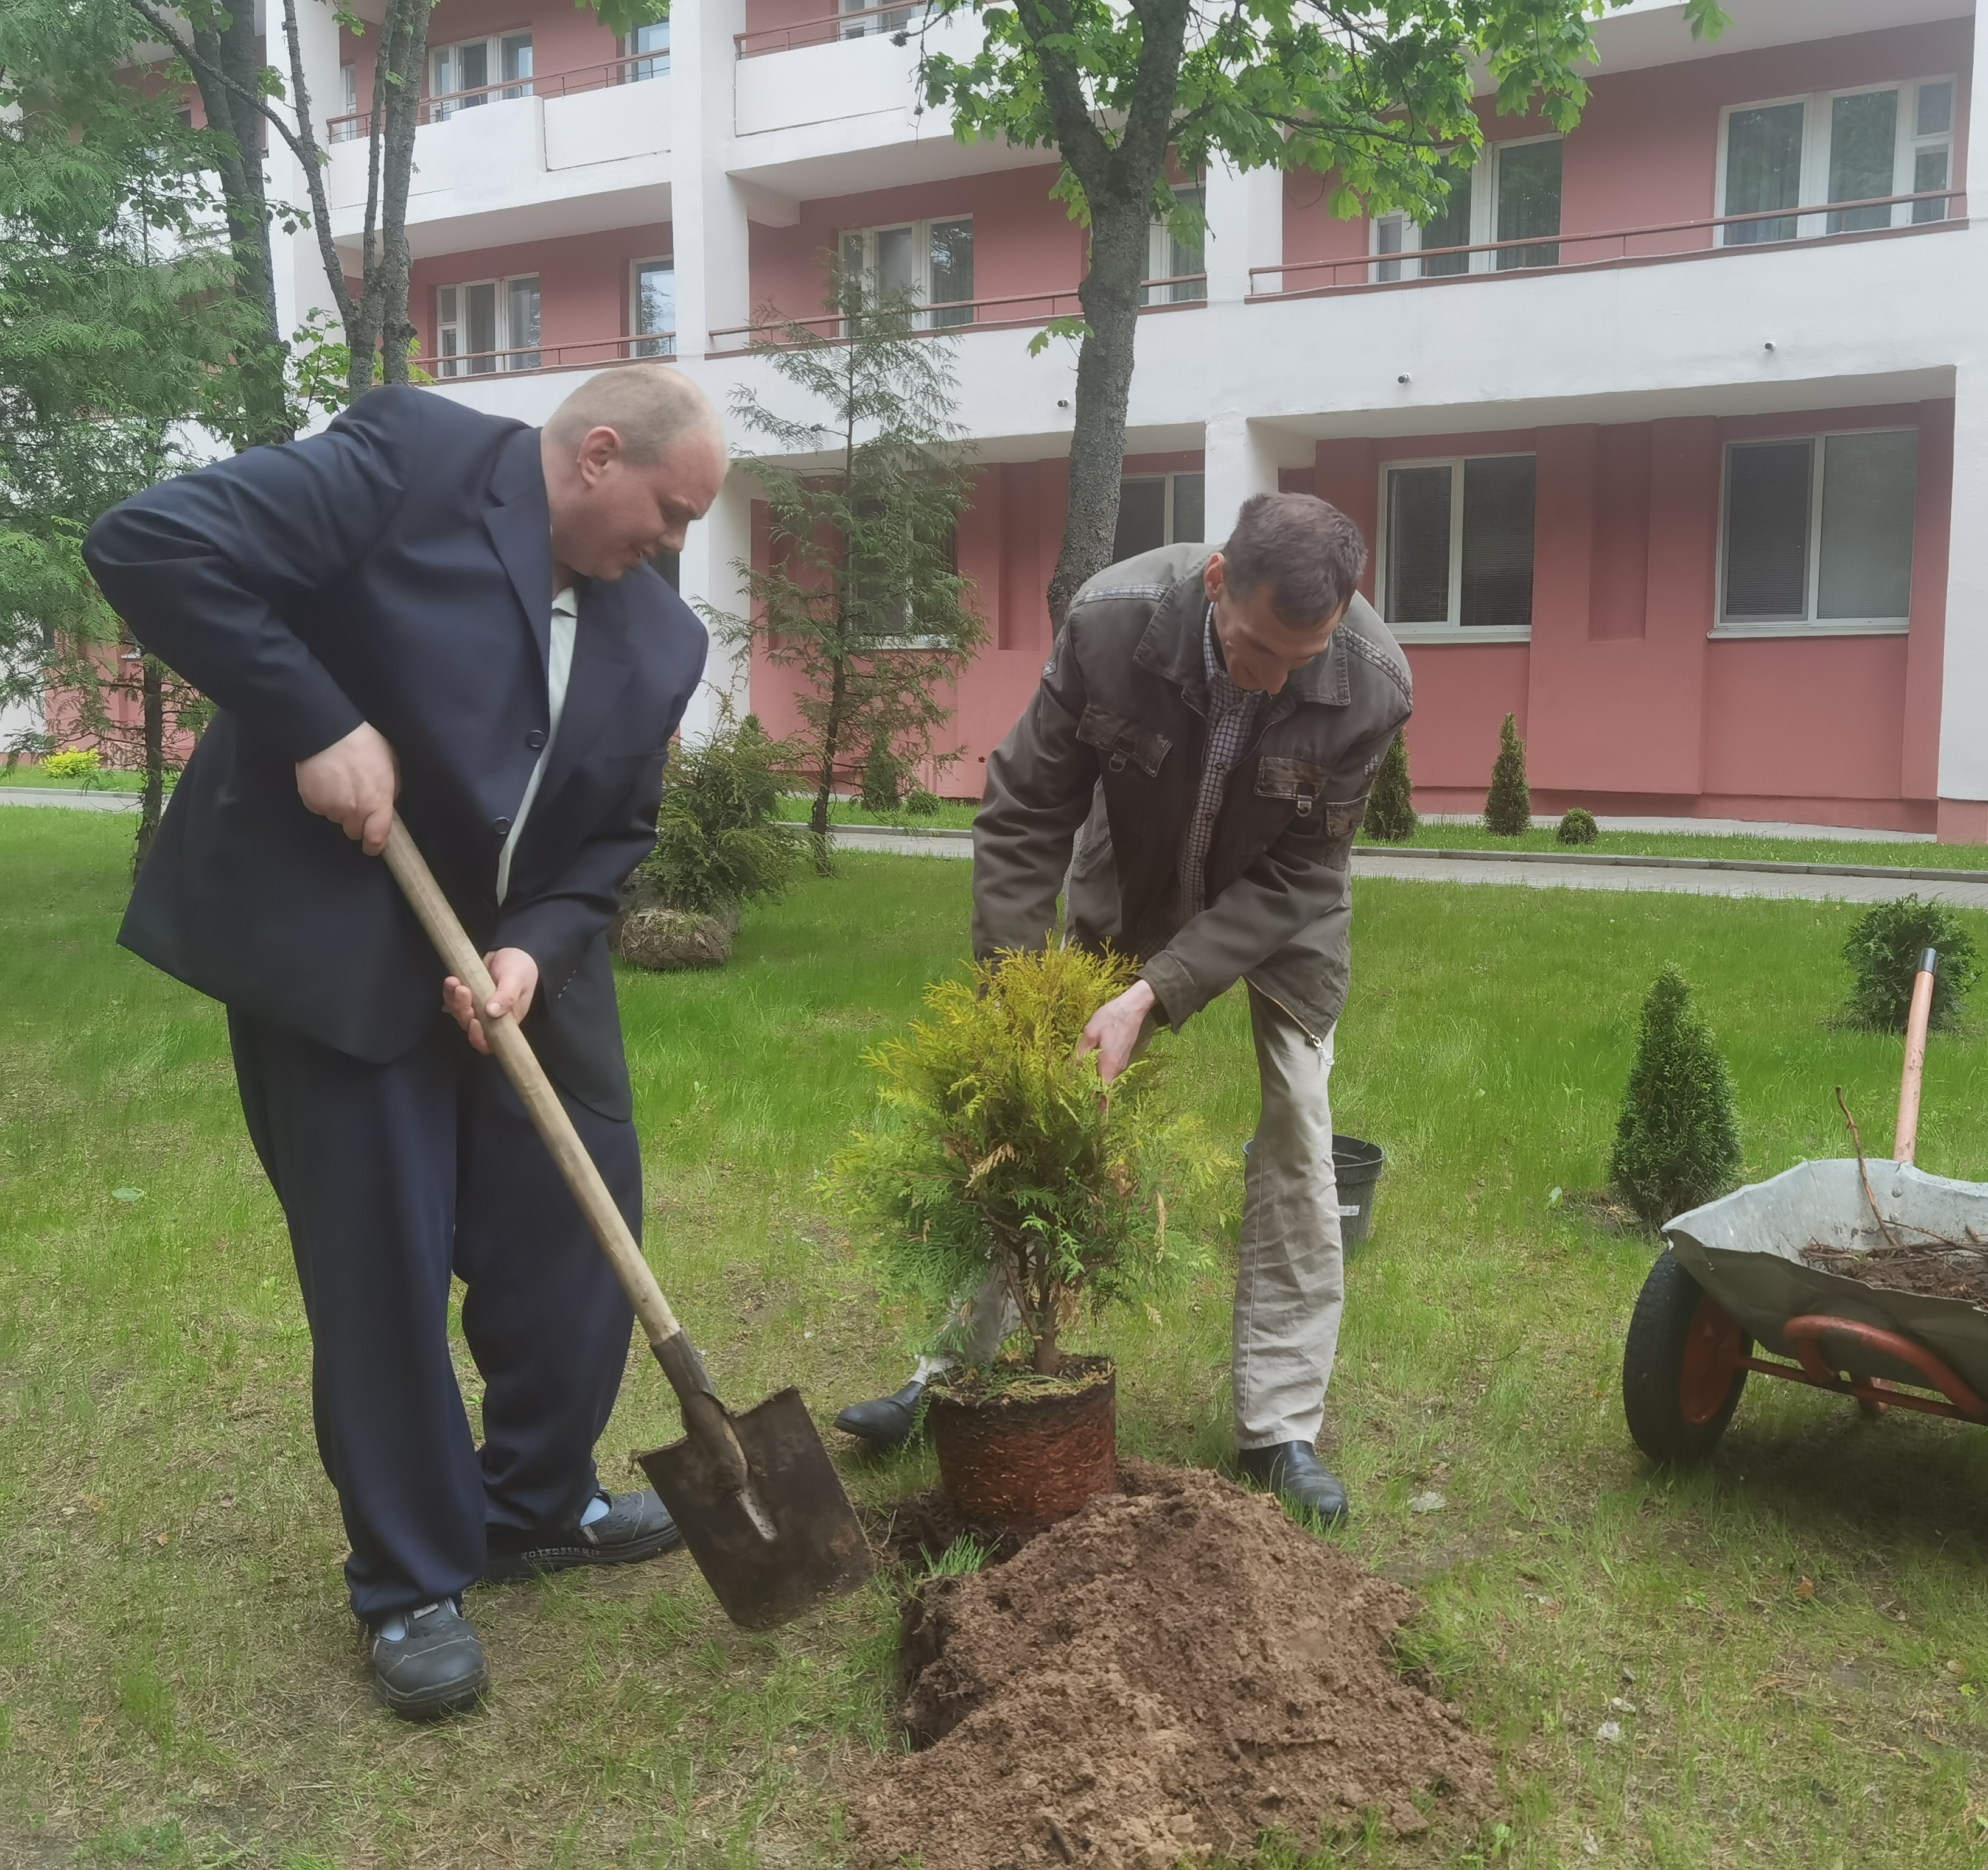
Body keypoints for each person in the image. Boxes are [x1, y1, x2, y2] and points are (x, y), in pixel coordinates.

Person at [81, 369, 728, 1719]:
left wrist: (532, 946)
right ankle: (410, 1576)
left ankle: (537, 1503)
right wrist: (315, 719)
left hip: (510, 963)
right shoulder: (407, 465)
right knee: (380, 1253)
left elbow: (611, 835)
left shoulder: (661, 639)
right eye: (667, 514)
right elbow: (149, 541)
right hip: (337, 938)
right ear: (597, 455)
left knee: (578, 1217)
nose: (673, 547)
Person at [834, 492, 1413, 1527]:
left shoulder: (1371, 685)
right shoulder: (1111, 622)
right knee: (1024, 1107)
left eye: (1297, 659)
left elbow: (1302, 876)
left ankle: (1280, 1427)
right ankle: (946, 1372)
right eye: (1252, 650)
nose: (1272, 677)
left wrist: (1156, 992)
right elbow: (1024, 812)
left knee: (1298, 1125)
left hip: (1282, 914)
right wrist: (1019, 998)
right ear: (1218, 581)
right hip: (1131, 879)